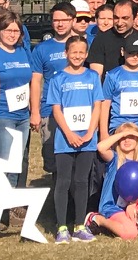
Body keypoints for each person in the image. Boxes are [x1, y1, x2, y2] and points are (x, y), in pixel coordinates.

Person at [42, 34, 107, 243]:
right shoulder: (58, 79)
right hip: (64, 140)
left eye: (81, 52)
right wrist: (69, 133)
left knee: (82, 181)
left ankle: (79, 225)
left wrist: (90, 132)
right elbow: (56, 109)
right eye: (74, 52)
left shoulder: (92, 77)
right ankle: (62, 227)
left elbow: (97, 105)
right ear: (66, 53)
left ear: (86, 54)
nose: (77, 56)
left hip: (87, 139)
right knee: (63, 181)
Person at [0, 10, 36, 180]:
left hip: (22, 116)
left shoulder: (23, 50)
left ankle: (8, 205)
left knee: (15, 165)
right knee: (2, 165)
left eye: (16, 31)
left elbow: (31, 80)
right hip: (2, 115)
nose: (12, 35)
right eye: (7, 30)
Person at [90, 124, 138, 239]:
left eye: (131, 137)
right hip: (112, 207)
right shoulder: (114, 158)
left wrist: (133, 203)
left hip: (129, 205)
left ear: (137, 140)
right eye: (123, 138)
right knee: (130, 233)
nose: (126, 140)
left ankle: (134, 221)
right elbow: (101, 147)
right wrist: (121, 133)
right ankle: (98, 219)